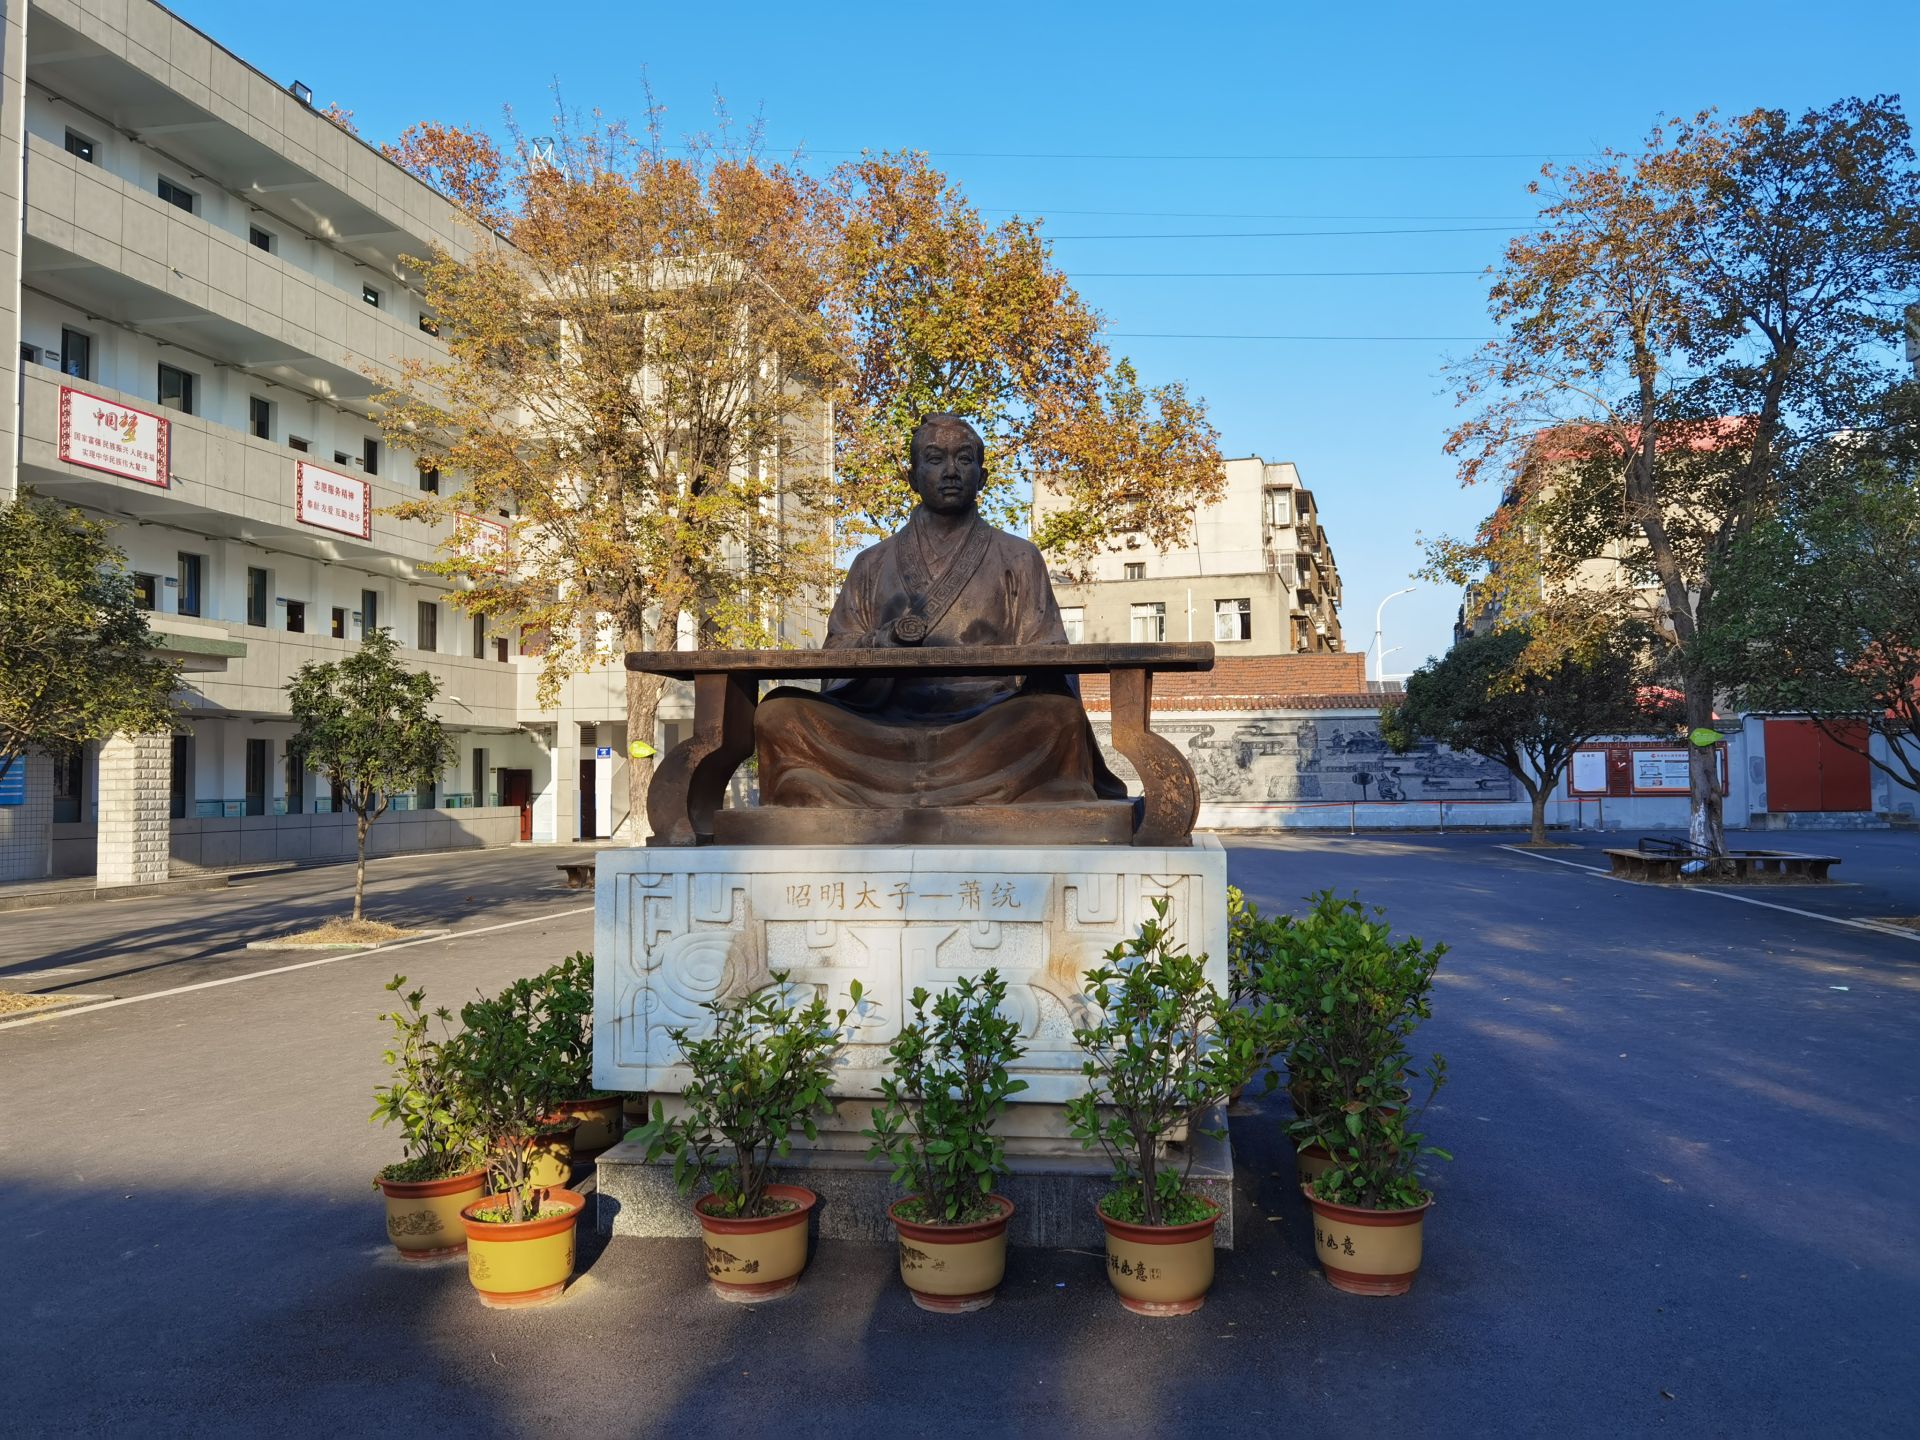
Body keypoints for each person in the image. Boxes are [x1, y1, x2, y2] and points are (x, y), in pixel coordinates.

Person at [755, 413, 1125, 809]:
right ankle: (998, 793)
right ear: (913, 477)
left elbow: (1049, 654)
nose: (951, 471)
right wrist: (884, 640)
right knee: (777, 714)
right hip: (883, 722)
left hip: (987, 724)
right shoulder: (871, 563)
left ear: (982, 477)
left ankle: (867, 796)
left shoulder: (1018, 556)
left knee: (1058, 717)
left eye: (964, 459)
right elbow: (836, 660)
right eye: (934, 459)